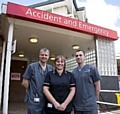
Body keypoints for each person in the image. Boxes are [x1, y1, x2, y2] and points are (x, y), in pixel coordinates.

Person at [22, 48, 53, 114]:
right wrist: (31, 91)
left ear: (48, 56)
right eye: (42, 55)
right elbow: (24, 81)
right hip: (34, 99)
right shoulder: (31, 67)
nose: (44, 56)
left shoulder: (51, 68)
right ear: (39, 55)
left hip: (46, 99)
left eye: (46, 55)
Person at [72, 50, 101, 114]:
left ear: (84, 57)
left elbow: (97, 86)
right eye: (76, 56)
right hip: (78, 107)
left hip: (90, 106)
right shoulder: (74, 72)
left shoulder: (92, 69)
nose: (78, 57)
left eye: (80, 55)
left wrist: (94, 99)